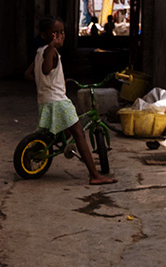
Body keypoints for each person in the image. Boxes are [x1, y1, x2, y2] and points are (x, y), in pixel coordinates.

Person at [24, 17, 116, 186]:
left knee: (62, 133)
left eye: (62, 32)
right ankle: (94, 174)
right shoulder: (50, 51)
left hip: (46, 99)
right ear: (45, 35)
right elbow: (45, 70)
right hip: (58, 101)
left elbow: (29, 73)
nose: (60, 36)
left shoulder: (39, 52)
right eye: (55, 33)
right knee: (79, 133)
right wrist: (52, 49)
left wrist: (46, 84)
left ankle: (47, 150)